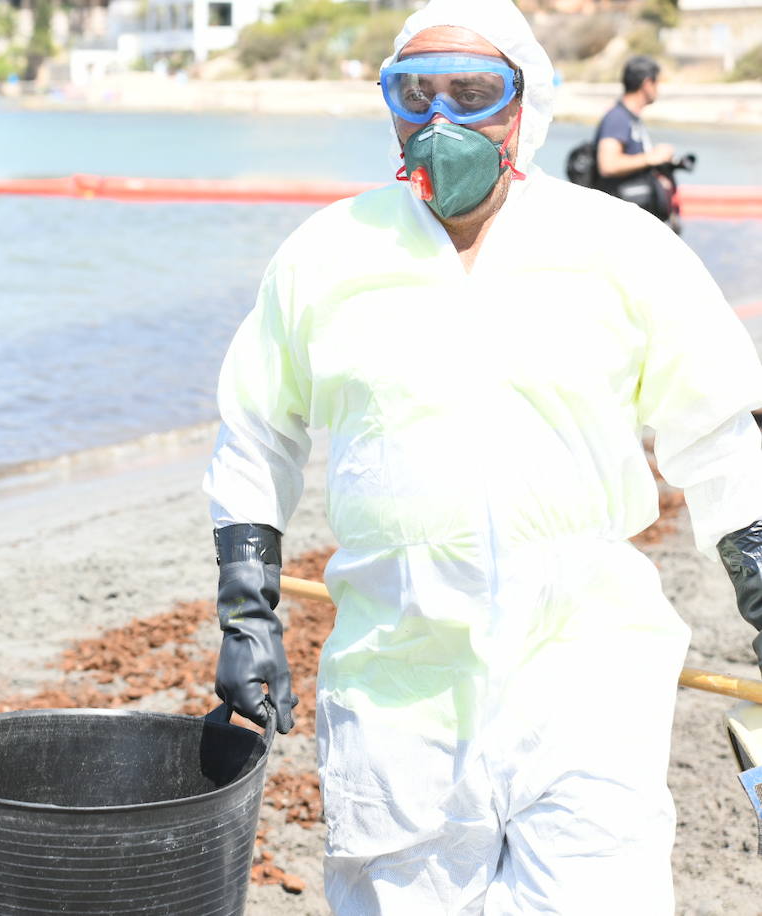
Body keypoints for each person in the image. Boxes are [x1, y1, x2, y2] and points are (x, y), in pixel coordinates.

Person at [203, 0, 762, 911]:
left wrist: (757, 578)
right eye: (413, 93)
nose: (441, 121)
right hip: (396, 693)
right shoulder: (328, 256)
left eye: (473, 92)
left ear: (524, 107)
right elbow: (258, 430)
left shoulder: (617, 248)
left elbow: (718, 429)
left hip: (586, 675)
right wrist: (246, 606)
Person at [594, 55, 678, 224]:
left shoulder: (631, 118)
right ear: (647, 84)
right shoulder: (618, 118)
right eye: (657, 83)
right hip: (618, 219)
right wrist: (651, 157)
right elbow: (608, 165)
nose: (658, 89)